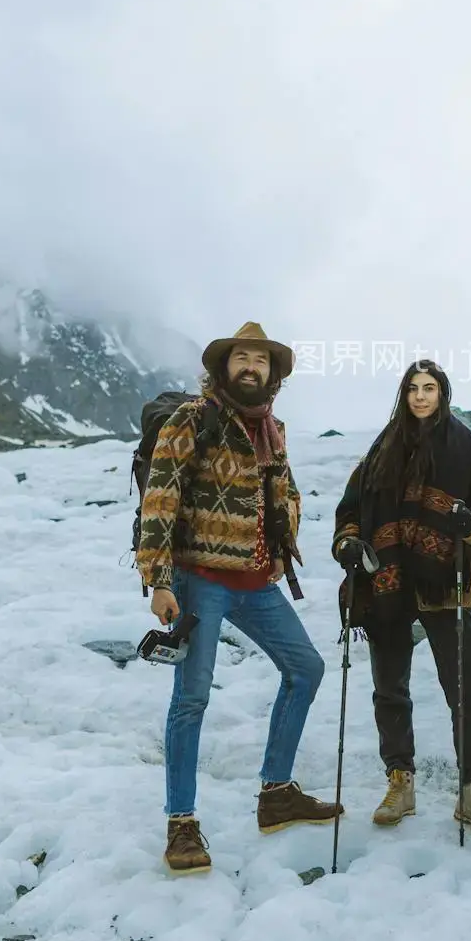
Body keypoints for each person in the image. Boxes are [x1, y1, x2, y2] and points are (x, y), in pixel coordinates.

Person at [137, 321, 339, 875]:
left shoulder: (270, 427)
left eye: (261, 360)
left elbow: (287, 492)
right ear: (224, 366)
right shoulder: (191, 420)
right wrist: (158, 581)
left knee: (306, 668)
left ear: (273, 373)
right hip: (199, 580)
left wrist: (282, 546)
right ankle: (182, 824)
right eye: (242, 358)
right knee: (192, 699)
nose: (251, 367)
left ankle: (277, 794)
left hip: (256, 583)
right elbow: (160, 498)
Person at [332, 360, 471, 843]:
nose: (420, 396)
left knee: (465, 690)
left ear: (443, 393)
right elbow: (350, 510)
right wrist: (348, 543)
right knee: (389, 687)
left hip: (446, 585)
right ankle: (400, 781)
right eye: (412, 388)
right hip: (386, 581)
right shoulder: (380, 450)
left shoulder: (469, 448)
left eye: (429, 388)